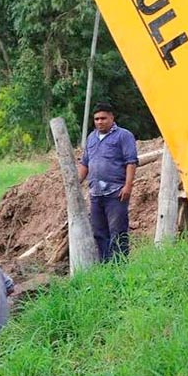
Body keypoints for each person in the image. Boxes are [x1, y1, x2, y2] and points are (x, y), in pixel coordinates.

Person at [77, 102, 139, 262]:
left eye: (103, 118)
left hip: (116, 193)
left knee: (118, 231)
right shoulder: (91, 138)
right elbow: (85, 163)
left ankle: (120, 265)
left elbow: (131, 162)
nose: (99, 122)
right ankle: (105, 265)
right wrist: (76, 183)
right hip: (96, 193)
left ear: (112, 117)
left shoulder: (123, 136)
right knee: (99, 232)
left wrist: (128, 186)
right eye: (96, 119)